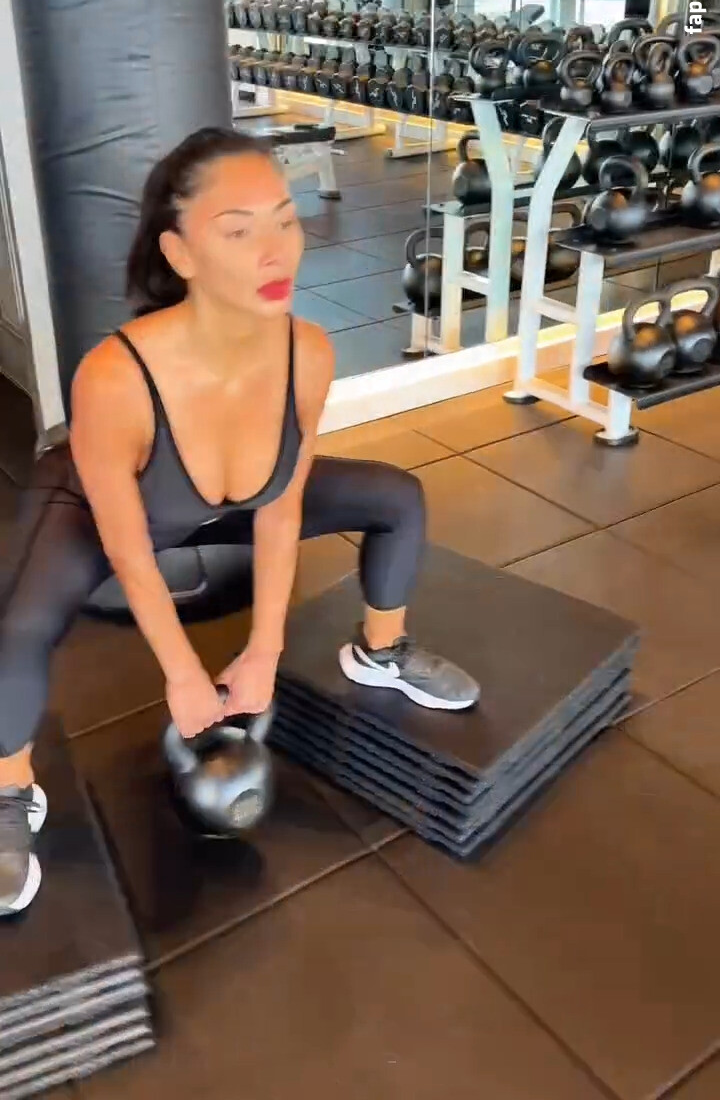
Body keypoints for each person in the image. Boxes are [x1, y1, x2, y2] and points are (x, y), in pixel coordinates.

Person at [0, 128, 478, 916]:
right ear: (180, 254)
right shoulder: (117, 377)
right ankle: (11, 792)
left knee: (396, 497)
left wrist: (265, 650)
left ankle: (382, 651)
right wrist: (184, 674)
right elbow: (128, 546)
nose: (275, 250)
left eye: (285, 220)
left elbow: (279, 507)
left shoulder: (307, 354)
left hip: (223, 505)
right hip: (100, 512)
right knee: (17, 631)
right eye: (238, 230)